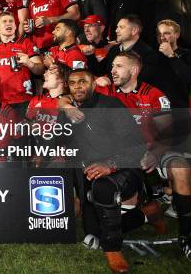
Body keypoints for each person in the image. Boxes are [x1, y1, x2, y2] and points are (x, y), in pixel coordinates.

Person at [98, 52, 191, 263]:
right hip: (120, 157)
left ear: (134, 70)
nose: (112, 71)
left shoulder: (153, 95)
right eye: (112, 66)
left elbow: (167, 132)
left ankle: (186, 238)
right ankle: (147, 212)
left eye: (118, 66)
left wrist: (155, 154)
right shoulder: (105, 90)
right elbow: (72, 92)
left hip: (153, 151)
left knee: (181, 169)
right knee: (111, 224)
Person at [63, 69, 147, 273]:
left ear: (93, 83)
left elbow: (137, 146)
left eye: (83, 81)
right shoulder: (68, 112)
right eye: (73, 83)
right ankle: (145, 215)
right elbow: (61, 143)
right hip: (88, 171)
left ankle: (113, 250)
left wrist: (110, 165)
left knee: (103, 188)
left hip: (123, 168)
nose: (77, 86)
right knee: (93, 231)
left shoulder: (111, 105)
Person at [0, 12, 43, 108]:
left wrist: (29, 63)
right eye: (4, 21)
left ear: (15, 26)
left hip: (23, 99)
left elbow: (40, 70)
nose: (8, 23)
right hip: (0, 101)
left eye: (11, 21)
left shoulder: (25, 43)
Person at [156, 19, 191, 103]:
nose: (161, 37)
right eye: (159, 34)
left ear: (177, 34)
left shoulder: (189, 54)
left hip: (179, 104)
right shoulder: (153, 55)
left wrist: (172, 56)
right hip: (156, 104)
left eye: (166, 33)